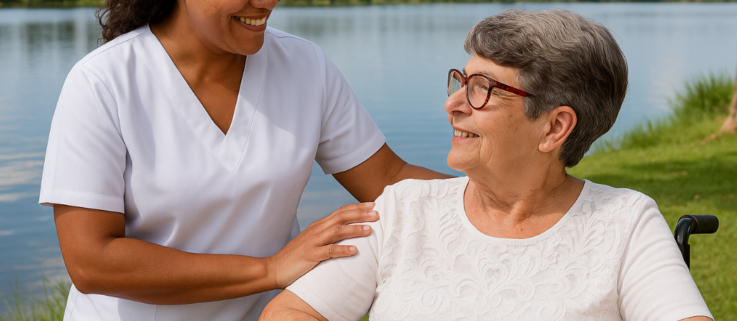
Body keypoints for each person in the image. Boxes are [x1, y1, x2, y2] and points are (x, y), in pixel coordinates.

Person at [261, 9, 713, 321]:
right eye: (460, 81)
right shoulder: (403, 210)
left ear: (555, 127)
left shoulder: (625, 222)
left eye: (482, 88)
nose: (452, 104)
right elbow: (291, 310)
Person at [38, 0, 449, 319]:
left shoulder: (305, 66)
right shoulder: (103, 81)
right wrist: (269, 270)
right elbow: (91, 261)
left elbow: (390, 177)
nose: (267, 2)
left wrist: (505, 195)